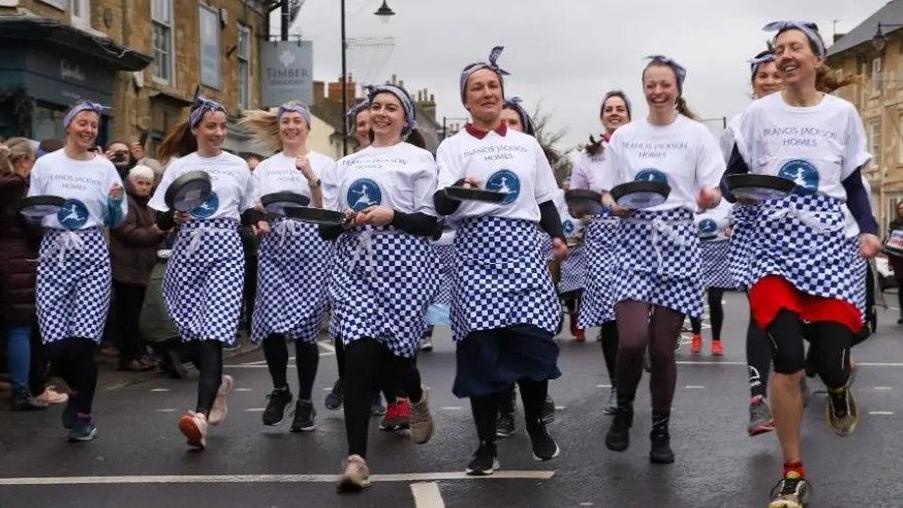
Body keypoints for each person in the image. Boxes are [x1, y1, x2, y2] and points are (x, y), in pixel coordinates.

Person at [725, 22, 879, 508]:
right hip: (770, 242)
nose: (785, 55)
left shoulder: (842, 114)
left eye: (795, 48)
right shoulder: (756, 115)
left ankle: (836, 387)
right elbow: (733, 178)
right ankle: (792, 473)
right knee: (787, 357)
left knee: (832, 362)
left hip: (829, 244)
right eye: (779, 49)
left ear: (817, 60)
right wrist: (733, 194)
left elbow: (853, 183)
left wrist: (869, 228)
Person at [435, 47, 566, 476]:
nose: (487, 93)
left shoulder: (527, 144)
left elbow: (544, 200)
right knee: (481, 350)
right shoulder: (453, 147)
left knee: (530, 341)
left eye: (493, 86)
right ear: (466, 100)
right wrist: (458, 187)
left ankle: (534, 424)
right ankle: (486, 444)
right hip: (476, 252)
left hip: (524, 248)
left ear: (503, 93)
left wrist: (558, 236)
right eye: (478, 88)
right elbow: (439, 203)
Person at [598, 55, 723, 464]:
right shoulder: (625, 136)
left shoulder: (696, 135)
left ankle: (660, 430)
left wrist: (709, 197)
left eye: (664, 84)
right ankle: (623, 409)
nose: (657, 91)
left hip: (679, 240)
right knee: (632, 340)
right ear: (643, 88)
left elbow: (713, 187)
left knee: (664, 350)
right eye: (650, 84)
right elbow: (606, 190)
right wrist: (612, 203)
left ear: (677, 88)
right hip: (634, 238)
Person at [320, 83, 438, 491]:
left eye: (391, 108)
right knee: (357, 360)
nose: (383, 113)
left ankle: (415, 393)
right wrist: (344, 221)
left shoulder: (420, 159)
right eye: (376, 107)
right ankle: (357, 459)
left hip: (405, 271)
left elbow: (431, 224)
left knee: (395, 358)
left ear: (405, 118)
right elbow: (328, 229)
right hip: (355, 272)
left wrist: (392, 216)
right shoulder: (348, 163)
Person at [150, 96, 257, 450]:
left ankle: (198, 417)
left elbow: (247, 212)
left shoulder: (238, 166)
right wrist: (174, 217)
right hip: (188, 252)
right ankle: (219, 384)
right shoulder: (180, 167)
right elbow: (159, 218)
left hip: (225, 252)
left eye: (223, 126)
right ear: (196, 128)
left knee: (211, 336)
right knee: (189, 336)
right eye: (211, 126)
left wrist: (261, 222)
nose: (218, 132)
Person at [28, 101, 128, 441]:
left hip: (91, 254)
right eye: (83, 123)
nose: (88, 130)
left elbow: (117, 219)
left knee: (84, 342)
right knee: (56, 344)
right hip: (54, 252)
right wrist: (33, 215)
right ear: (68, 125)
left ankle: (83, 413)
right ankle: (74, 389)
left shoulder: (104, 169)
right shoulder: (45, 164)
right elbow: (33, 210)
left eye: (94, 126)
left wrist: (115, 203)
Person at [240, 101, 336, 431]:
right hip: (275, 247)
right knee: (269, 324)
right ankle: (280, 390)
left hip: (310, 247)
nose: (291, 126)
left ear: (308, 128)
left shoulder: (325, 163)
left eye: (297, 121)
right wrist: (258, 222)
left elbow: (328, 210)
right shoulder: (265, 167)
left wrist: (312, 179)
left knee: (307, 329)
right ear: (279, 128)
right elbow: (255, 207)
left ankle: (306, 401)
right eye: (286, 121)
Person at [722, 49, 785, 437]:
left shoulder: (813, 118)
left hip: (803, 229)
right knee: (761, 309)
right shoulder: (741, 126)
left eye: (776, 74)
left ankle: (803, 371)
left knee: (798, 316)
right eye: (762, 76)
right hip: (756, 227)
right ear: (753, 83)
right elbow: (727, 179)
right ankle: (757, 398)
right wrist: (736, 194)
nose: (769, 81)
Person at [576, 90, 632, 415]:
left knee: (639, 308)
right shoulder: (588, 155)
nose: (614, 113)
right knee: (610, 319)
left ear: (628, 114)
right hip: (601, 239)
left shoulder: (642, 146)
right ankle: (616, 387)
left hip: (638, 236)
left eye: (620, 109)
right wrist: (585, 206)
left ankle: (644, 348)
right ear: (602, 117)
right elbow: (578, 199)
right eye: (609, 109)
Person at [1, 138, 48, 411]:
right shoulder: (18, 188)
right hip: (17, 260)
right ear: (22, 162)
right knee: (21, 327)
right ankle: (21, 389)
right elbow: (31, 226)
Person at [109, 165, 166, 372]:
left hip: (142, 267)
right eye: (139, 183)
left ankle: (140, 354)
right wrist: (155, 232)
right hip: (126, 268)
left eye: (147, 184)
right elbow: (126, 232)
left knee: (139, 316)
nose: (143, 187)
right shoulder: (126, 202)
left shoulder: (148, 203)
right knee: (128, 317)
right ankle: (129, 357)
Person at [688, 200, 737, 356]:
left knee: (714, 301)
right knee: (694, 299)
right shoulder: (691, 202)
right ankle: (696, 336)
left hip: (720, 255)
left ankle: (716, 341)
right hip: (696, 253)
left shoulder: (728, 205)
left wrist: (731, 231)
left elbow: (736, 225)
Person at [886, 201, 903, 324]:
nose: (902, 210)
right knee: (901, 289)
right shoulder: (894, 224)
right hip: (899, 261)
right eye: (900, 208)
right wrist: (890, 261)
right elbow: (890, 242)